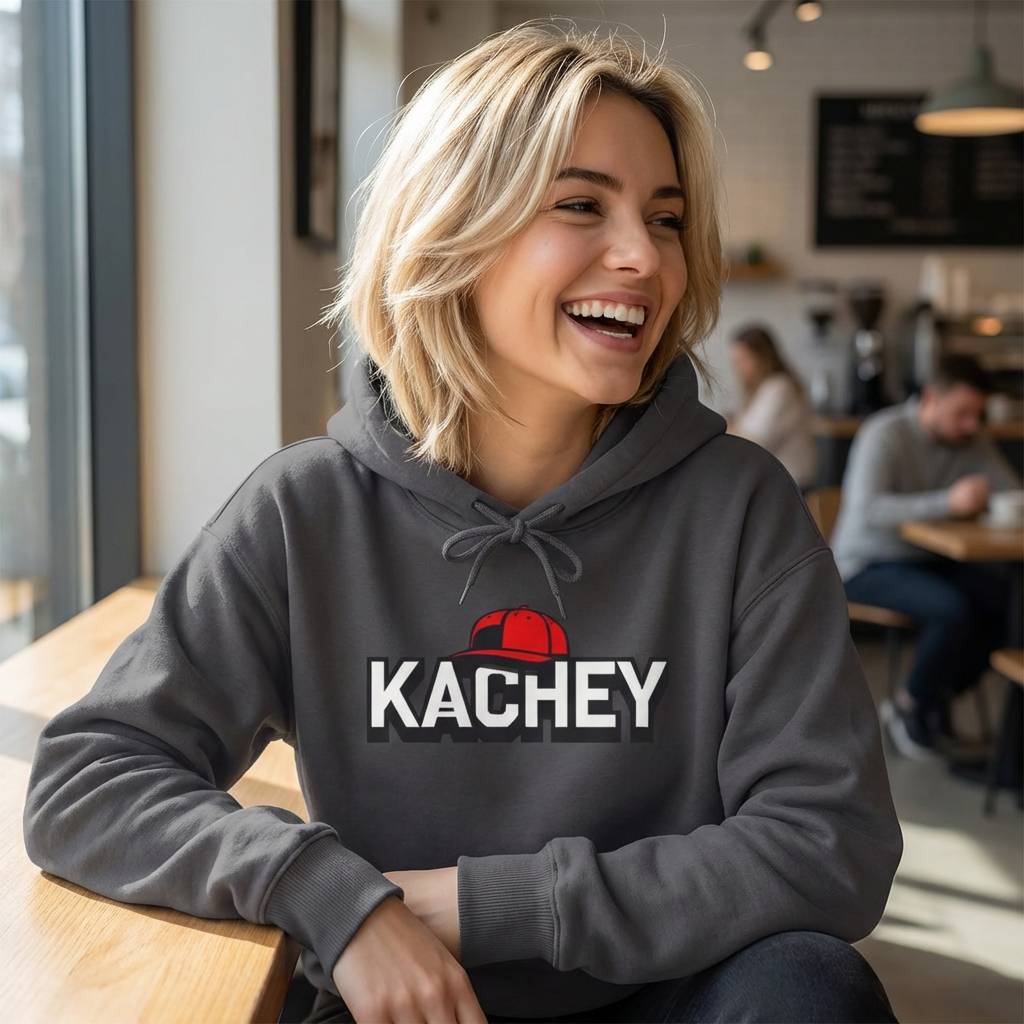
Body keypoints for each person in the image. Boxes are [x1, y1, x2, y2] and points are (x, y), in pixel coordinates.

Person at [24, 26, 901, 1024]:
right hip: (404, 1000)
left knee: (812, 991)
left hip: (672, 995)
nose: (641, 256)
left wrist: (477, 904)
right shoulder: (307, 508)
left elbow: (830, 842)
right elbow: (87, 781)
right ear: (453, 228)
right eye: (581, 205)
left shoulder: (740, 508)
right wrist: (332, 894)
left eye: (664, 219)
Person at [833, 355, 1021, 761]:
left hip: (929, 560)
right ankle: (911, 705)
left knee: (1007, 603)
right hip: (865, 563)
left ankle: (934, 695)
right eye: (962, 414)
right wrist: (948, 502)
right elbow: (868, 510)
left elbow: (1009, 490)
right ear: (933, 399)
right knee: (952, 609)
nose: (971, 424)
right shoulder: (885, 433)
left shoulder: (970, 438)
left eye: (977, 415)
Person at [727, 325, 817, 489]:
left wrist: (725, 426)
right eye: (735, 362)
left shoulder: (780, 388)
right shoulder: (762, 390)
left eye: (743, 360)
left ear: (761, 357)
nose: (738, 369)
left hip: (791, 486)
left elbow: (754, 443)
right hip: (776, 483)